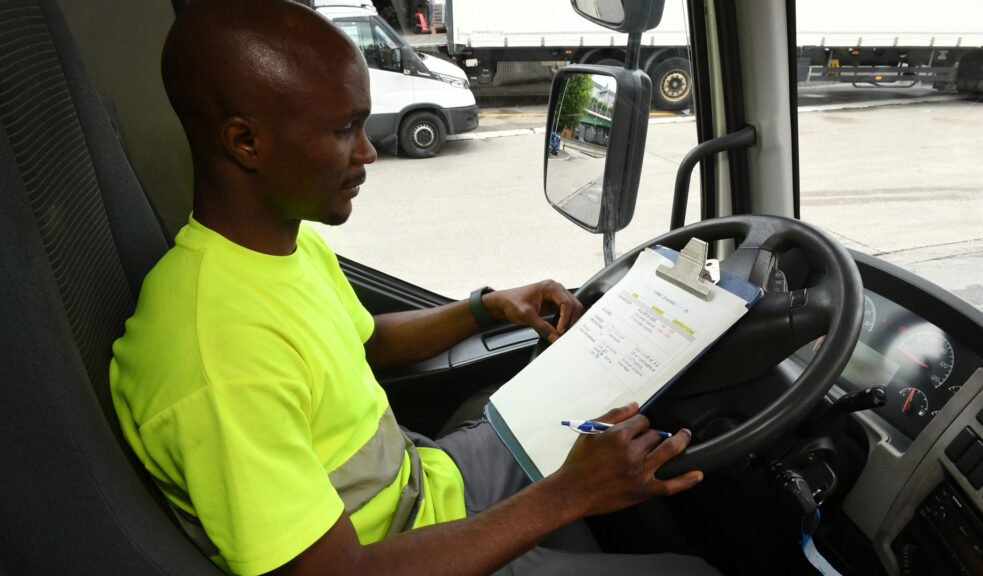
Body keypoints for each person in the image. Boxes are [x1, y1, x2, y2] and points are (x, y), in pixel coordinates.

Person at [110, 1, 718, 575]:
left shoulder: (276, 247)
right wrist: (570, 495)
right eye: (344, 129)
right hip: (403, 553)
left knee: (595, 407)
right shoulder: (218, 361)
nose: (368, 151)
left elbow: (370, 342)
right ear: (246, 143)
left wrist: (487, 307)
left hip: (422, 481)